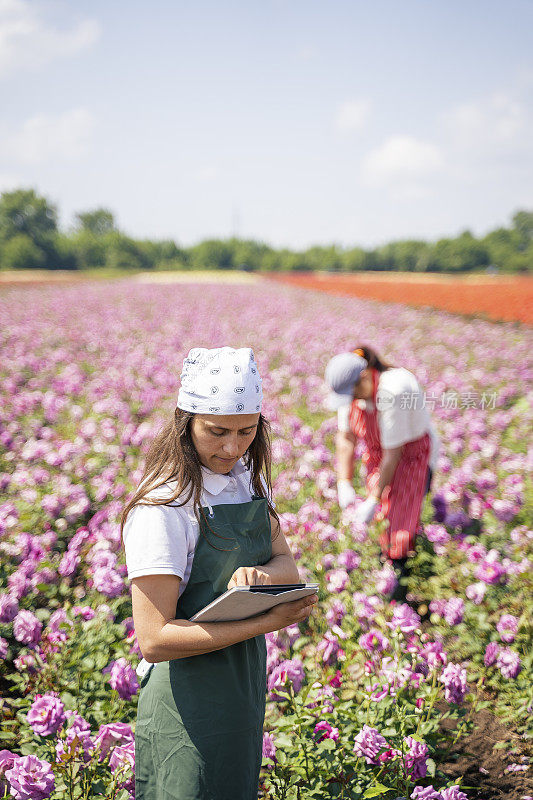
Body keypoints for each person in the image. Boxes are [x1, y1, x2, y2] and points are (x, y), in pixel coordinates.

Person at [122, 346, 317, 800]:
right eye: (217, 431)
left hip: (242, 680)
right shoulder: (164, 506)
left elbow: (285, 561)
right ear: (185, 422)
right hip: (187, 696)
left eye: (247, 431)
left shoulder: (247, 480)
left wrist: (263, 578)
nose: (232, 447)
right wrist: (265, 622)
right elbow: (154, 640)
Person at [325, 346, 440, 597]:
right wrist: (344, 482)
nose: (352, 400)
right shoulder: (352, 392)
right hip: (382, 456)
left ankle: (400, 590)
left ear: (365, 376)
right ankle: (385, 572)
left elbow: (393, 455)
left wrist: (373, 499)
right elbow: (346, 438)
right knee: (382, 523)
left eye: (354, 392)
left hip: (412, 458)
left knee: (399, 527)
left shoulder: (393, 391)